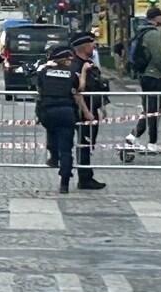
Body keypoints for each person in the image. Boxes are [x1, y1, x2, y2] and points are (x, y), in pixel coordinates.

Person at [36, 45, 81, 194]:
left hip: (47, 111)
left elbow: (38, 87)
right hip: (66, 111)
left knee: (51, 132)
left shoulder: (44, 71)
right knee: (66, 149)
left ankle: (53, 156)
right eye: (69, 58)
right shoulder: (72, 73)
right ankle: (64, 183)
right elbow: (79, 88)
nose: (71, 61)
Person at [128, 8, 161, 148]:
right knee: (153, 109)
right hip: (153, 74)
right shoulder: (153, 34)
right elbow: (158, 56)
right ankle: (149, 140)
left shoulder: (141, 32)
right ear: (156, 18)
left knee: (150, 108)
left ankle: (136, 135)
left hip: (146, 74)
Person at [68, 32, 107, 190]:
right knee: (84, 144)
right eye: (91, 43)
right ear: (84, 46)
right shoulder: (76, 65)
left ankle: (87, 175)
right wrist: (86, 112)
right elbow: (78, 91)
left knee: (89, 144)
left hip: (92, 109)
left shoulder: (89, 63)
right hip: (82, 112)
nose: (94, 46)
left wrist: (102, 106)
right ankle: (84, 178)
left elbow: (98, 86)